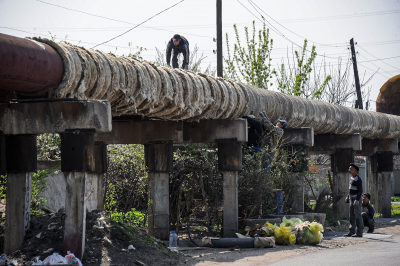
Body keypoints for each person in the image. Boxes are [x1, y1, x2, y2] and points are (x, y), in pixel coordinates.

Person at [344, 163, 364, 237]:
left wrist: (358, 200)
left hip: (356, 199)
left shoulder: (357, 179)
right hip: (351, 198)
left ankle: (359, 232)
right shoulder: (352, 178)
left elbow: (360, 190)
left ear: (355, 170)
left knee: (358, 216)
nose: (349, 170)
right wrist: (348, 196)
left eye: (351, 169)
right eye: (349, 169)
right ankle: (351, 231)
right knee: (351, 216)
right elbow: (350, 189)